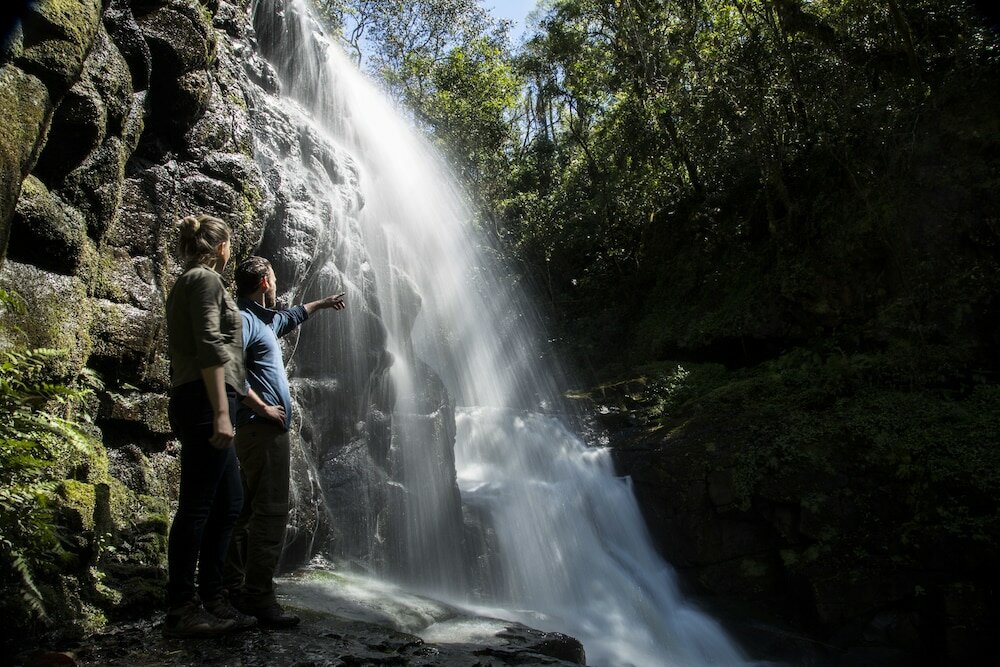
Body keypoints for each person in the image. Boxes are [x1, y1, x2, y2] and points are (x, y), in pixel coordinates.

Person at [224, 255, 346, 626]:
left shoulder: (264, 321)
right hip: (260, 429)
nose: (277, 284)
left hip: (260, 430)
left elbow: (291, 316)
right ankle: (259, 597)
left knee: (243, 510)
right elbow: (228, 367)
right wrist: (262, 407)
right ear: (264, 282)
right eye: (274, 278)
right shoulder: (244, 320)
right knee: (271, 511)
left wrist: (322, 303)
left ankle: (231, 587)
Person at [162, 214, 257, 637]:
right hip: (205, 399)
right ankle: (182, 608)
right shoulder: (203, 280)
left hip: (211, 397)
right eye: (230, 244)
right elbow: (208, 341)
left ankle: (214, 598)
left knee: (228, 502)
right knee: (198, 505)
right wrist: (221, 410)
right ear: (221, 247)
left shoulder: (195, 280)